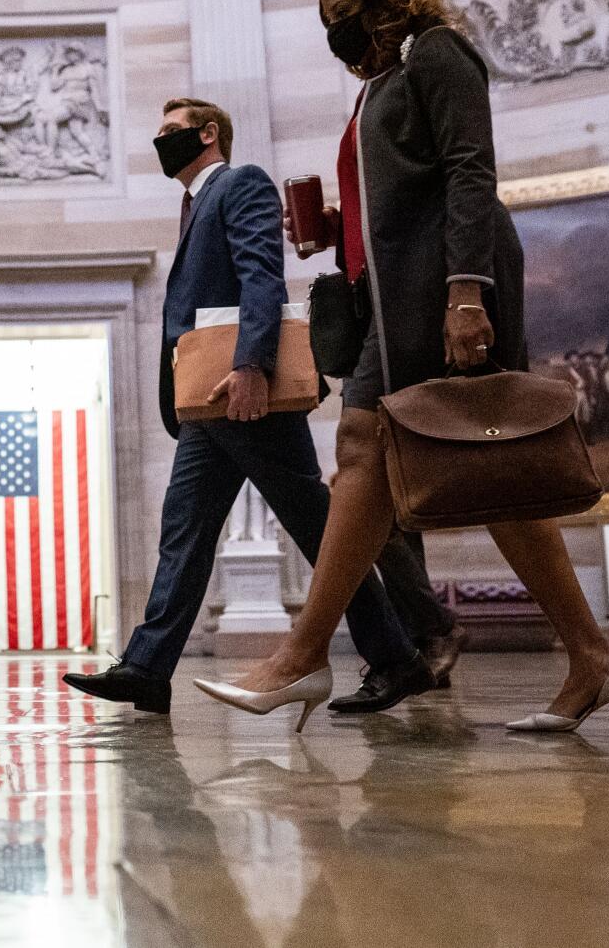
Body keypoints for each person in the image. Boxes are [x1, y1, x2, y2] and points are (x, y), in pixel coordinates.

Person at [195, 0, 609, 733]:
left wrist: (468, 291)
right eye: (327, 22)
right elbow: (400, 195)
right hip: (392, 298)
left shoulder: (440, 52)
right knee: (493, 468)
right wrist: (332, 228)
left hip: (444, 287)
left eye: (344, 14)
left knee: (368, 444)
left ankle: (301, 656)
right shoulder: (379, 86)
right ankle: (593, 657)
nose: (337, 32)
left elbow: (471, 170)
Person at [61, 96, 438, 716]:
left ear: (209, 134)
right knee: (185, 532)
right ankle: (148, 668)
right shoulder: (192, 204)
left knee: (318, 528)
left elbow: (262, 274)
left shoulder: (241, 183)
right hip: (206, 408)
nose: (161, 143)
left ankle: (397, 657)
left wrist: (251, 365)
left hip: (244, 392)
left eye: (171, 132)